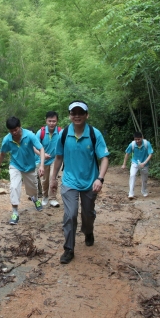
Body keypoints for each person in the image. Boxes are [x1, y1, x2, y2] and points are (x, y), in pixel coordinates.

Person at [50, 101, 109, 264]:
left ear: (86, 115)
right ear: (69, 115)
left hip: (90, 182)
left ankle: (88, 231)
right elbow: (59, 157)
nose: (76, 116)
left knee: (88, 214)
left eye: (80, 113)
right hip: (69, 181)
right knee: (70, 214)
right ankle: (69, 249)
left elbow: (104, 158)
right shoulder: (64, 134)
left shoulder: (94, 134)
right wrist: (53, 178)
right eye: (73, 113)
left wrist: (100, 178)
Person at [0, 116, 45, 225]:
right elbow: (2, 154)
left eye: (16, 130)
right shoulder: (7, 139)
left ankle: (35, 199)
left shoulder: (30, 135)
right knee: (14, 187)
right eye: (11, 131)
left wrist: (41, 166)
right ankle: (15, 213)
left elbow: (41, 149)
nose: (14, 132)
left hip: (29, 167)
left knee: (33, 189)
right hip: (15, 166)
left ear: (20, 127)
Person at [35, 111, 62, 207]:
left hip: (56, 159)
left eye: (54, 121)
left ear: (57, 121)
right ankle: (45, 196)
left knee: (53, 177)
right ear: (46, 121)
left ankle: (52, 198)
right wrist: (42, 154)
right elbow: (34, 147)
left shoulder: (60, 132)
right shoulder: (40, 132)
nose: (52, 123)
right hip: (43, 160)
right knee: (44, 180)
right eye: (49, 121)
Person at [121, 132, 154, 199]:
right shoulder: (132, 144)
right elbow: (127, 154)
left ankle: (144, 191)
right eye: (136, 139)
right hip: (135, 163)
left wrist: (144, 163)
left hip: (145, 163)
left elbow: (150, 154)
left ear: (142, 138)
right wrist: (124, 164)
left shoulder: (146, 144)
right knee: (132, 175)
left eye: (139, 139)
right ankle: (131, 193)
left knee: (144, 178)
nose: (137, 141)